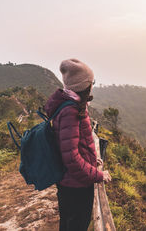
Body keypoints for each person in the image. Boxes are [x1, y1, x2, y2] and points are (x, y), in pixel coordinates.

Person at [45, 58, 112, 231]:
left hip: (70, 182)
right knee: (76, 225)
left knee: (68, 224)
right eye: (92, 83)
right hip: (76, 186)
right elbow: (72, 159)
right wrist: (98, 175)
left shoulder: (72, 106)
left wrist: (91, 159)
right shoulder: (70, 111)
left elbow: (75, 145)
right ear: (84, 85)